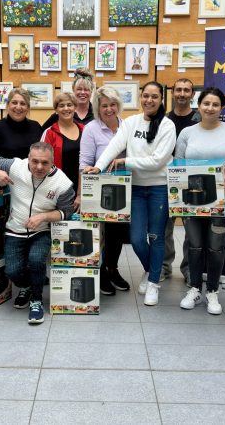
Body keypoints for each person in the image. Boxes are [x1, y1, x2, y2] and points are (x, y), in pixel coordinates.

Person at [85, 81, 176, 306]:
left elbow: (158, 161)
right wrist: (98, 166)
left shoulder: (167, 125)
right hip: (135, 188)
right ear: (140, 97)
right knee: (136, 239)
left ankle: (154, 281)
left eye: (155, 96)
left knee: (155, 237)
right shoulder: (132, 122)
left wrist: (127, 161)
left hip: (159, 188)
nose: (149, 100)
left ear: (161, 99)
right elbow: (114, 145)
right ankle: (151, 270)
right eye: (146, 96)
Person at [0, 142, 75, 324]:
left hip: (42, 231)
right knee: (12, 271)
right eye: (35, 161)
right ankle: (27, 286)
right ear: (28, 159)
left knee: (36, 260)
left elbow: (66, 212)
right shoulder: (16, 166)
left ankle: (36, 300)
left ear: (53, 162)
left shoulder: (63, 183)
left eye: (45, 163)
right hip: (14, 229)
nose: (39, 167)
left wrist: (44, 217)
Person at [175, 87, 225, 314]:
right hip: (191, 199)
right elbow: (178, 164)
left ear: (221, 108)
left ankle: (212, 291)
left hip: (222, 200)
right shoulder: (187, 133)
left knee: (215, 247)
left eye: (215, 104)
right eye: (206, 103)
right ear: (199, 105)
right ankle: (194, 287)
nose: (210, 108)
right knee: (194, 245)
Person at [79, 86, 131, 296]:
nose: (109, 109)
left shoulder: (127, 126)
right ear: (97, 109)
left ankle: (112, 268)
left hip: (122, 191)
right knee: (99, 233)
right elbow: (84, 162)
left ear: (118, 105)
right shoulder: (91, 129)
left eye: (112, 104)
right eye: (104, 106)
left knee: (117, 233)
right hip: (98, 192)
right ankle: (99, 271)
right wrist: (81, 193)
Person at [162, 78, 200, 283]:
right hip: (166, 181)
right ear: (173, 93)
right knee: (165, 227)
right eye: (178, 90)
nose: (182, 94)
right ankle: (165, 266)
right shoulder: (165, 119)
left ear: (193, 94)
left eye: (187, 90)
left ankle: (188, 268)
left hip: (193, 181)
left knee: (191, 229)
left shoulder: (200, 119)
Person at [0, 87, 43, 162]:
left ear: (28, 108)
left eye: (23, 103)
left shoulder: (35, 127)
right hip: (2, 172)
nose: (18, 107)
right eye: (14, 102)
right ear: (7, 105)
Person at [41, 92, 84, 196]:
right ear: (56, 110)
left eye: (69, 105)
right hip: (58, 189)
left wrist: (80, 193)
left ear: (75, 107)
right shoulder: (49, 133)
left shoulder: (85, 130)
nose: (66, 108)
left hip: (84, 187)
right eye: (61, 105)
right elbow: (43, 163)